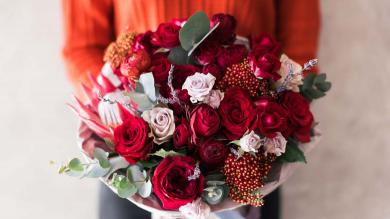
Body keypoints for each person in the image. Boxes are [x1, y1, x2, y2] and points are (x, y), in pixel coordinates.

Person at [61, 1, 320, 218]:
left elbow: (299, 47)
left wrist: (264, 118)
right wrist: (122, 108)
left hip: (250, 162)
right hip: (134, 166)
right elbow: (82, 47)